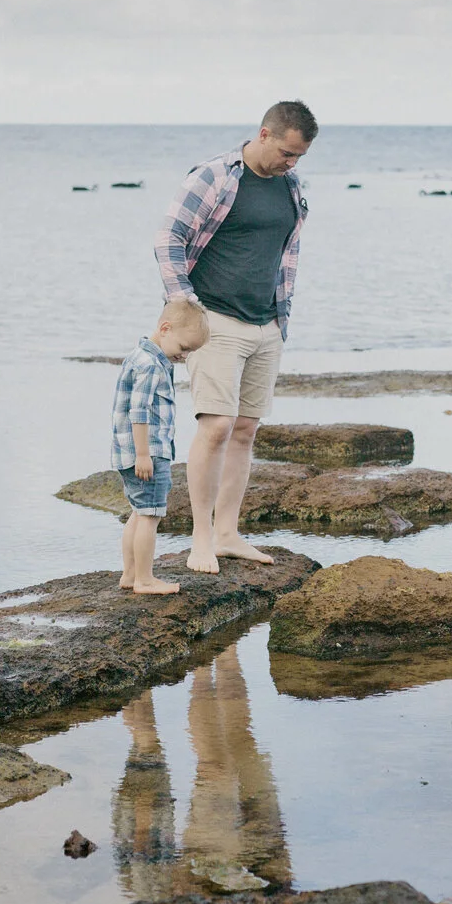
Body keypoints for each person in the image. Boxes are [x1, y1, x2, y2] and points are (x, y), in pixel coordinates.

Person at [154, 100, 315, 572]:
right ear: (264, 134)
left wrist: (279, 317)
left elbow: (284, 252)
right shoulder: (215, 177)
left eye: (300, 157)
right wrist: (186, 308)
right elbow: (168, 239)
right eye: (287, 153)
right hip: (216, 319)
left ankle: (228, 534)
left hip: (268, 322)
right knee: (216, 427)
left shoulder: (290, 184)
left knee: (245, 430)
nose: (292, 163)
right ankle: (200, 539)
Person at [111, 299, 211, 595]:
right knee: (150, 516)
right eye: (183, 348)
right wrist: (144, 454)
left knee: (138, 512)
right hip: (148, 452)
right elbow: (138, 412)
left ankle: (130, 575)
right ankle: (144, 579)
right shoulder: (151, 365)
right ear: (165, 329)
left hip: (128, 451)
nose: (185, 355)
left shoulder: (138, 357)